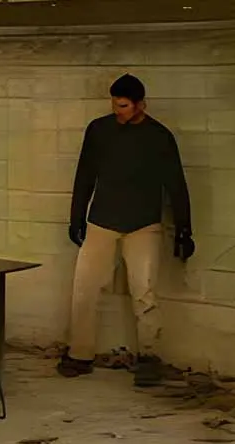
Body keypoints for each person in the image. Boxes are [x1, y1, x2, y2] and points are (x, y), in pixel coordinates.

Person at [59, 74, 195, 386]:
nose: (117, 109)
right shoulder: (99, 131)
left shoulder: (159, 137)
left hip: (143, 224)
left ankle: (148, 356)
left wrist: (185, 229)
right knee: (85, 289)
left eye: (123, 105)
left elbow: (176, 184)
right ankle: (79, 353)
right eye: (114, 103)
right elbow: (85, 175)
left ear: (140, 105)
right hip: (102, 221)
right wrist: (76, 216)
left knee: (144, 293)